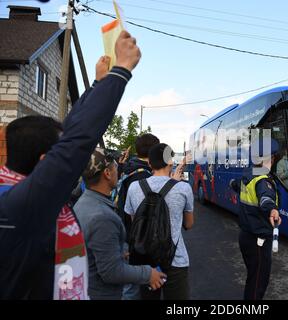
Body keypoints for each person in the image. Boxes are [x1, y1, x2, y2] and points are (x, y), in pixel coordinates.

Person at [0, 30, 141, 299]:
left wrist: (98, 84)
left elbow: (69, 131)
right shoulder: (21, 206)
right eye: (58, 154)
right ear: (45, 163)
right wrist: (122, 70)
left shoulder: (13, 186)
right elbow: (78, 141)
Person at [73, 148, 166, 299]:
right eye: (116, 167)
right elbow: (111, 272)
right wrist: (149, 274)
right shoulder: (102, 217)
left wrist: (116, 251)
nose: (119, 171)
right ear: (107, 173)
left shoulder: (84, 203)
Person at [124, 143, 194, 300]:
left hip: (145, 261)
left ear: (149, 163)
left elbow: (135, 222)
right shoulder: (183, 188)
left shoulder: (134, 187)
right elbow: (189, 224)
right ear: (170, 162)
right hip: (175, 261)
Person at [231, 139, 282, 300]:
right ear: (269, 159)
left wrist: (233, 184)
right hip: (258, 238)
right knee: (258, 282)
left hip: (246, 236)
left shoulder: (250, 175)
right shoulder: (262, 180)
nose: (273, 161)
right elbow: (265, 199)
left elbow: (236, 185)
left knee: (253, 277)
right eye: (273, 158)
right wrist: (272, 209)